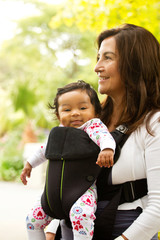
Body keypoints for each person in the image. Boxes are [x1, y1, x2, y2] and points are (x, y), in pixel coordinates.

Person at [58, 24, 160, 240]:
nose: (97, 67)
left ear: (135, 65)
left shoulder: (154, 123)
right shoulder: (90, 121)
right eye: (98, 57)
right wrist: (51, 229)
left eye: (108, 57)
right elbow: (70, 182)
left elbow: (158, 207)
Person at [20, 80, 116, 240]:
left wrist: (107, 149)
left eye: (83, 108)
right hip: (52, 195)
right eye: (67, 109)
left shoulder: (92, 127)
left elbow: (104, 137)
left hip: (81, 191)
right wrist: (29, 164)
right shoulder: (58, 133)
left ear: (96, 112)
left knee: (82, 217)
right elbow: (44, 150)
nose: (75, 113)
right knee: (32, 221)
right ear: (58, 115)